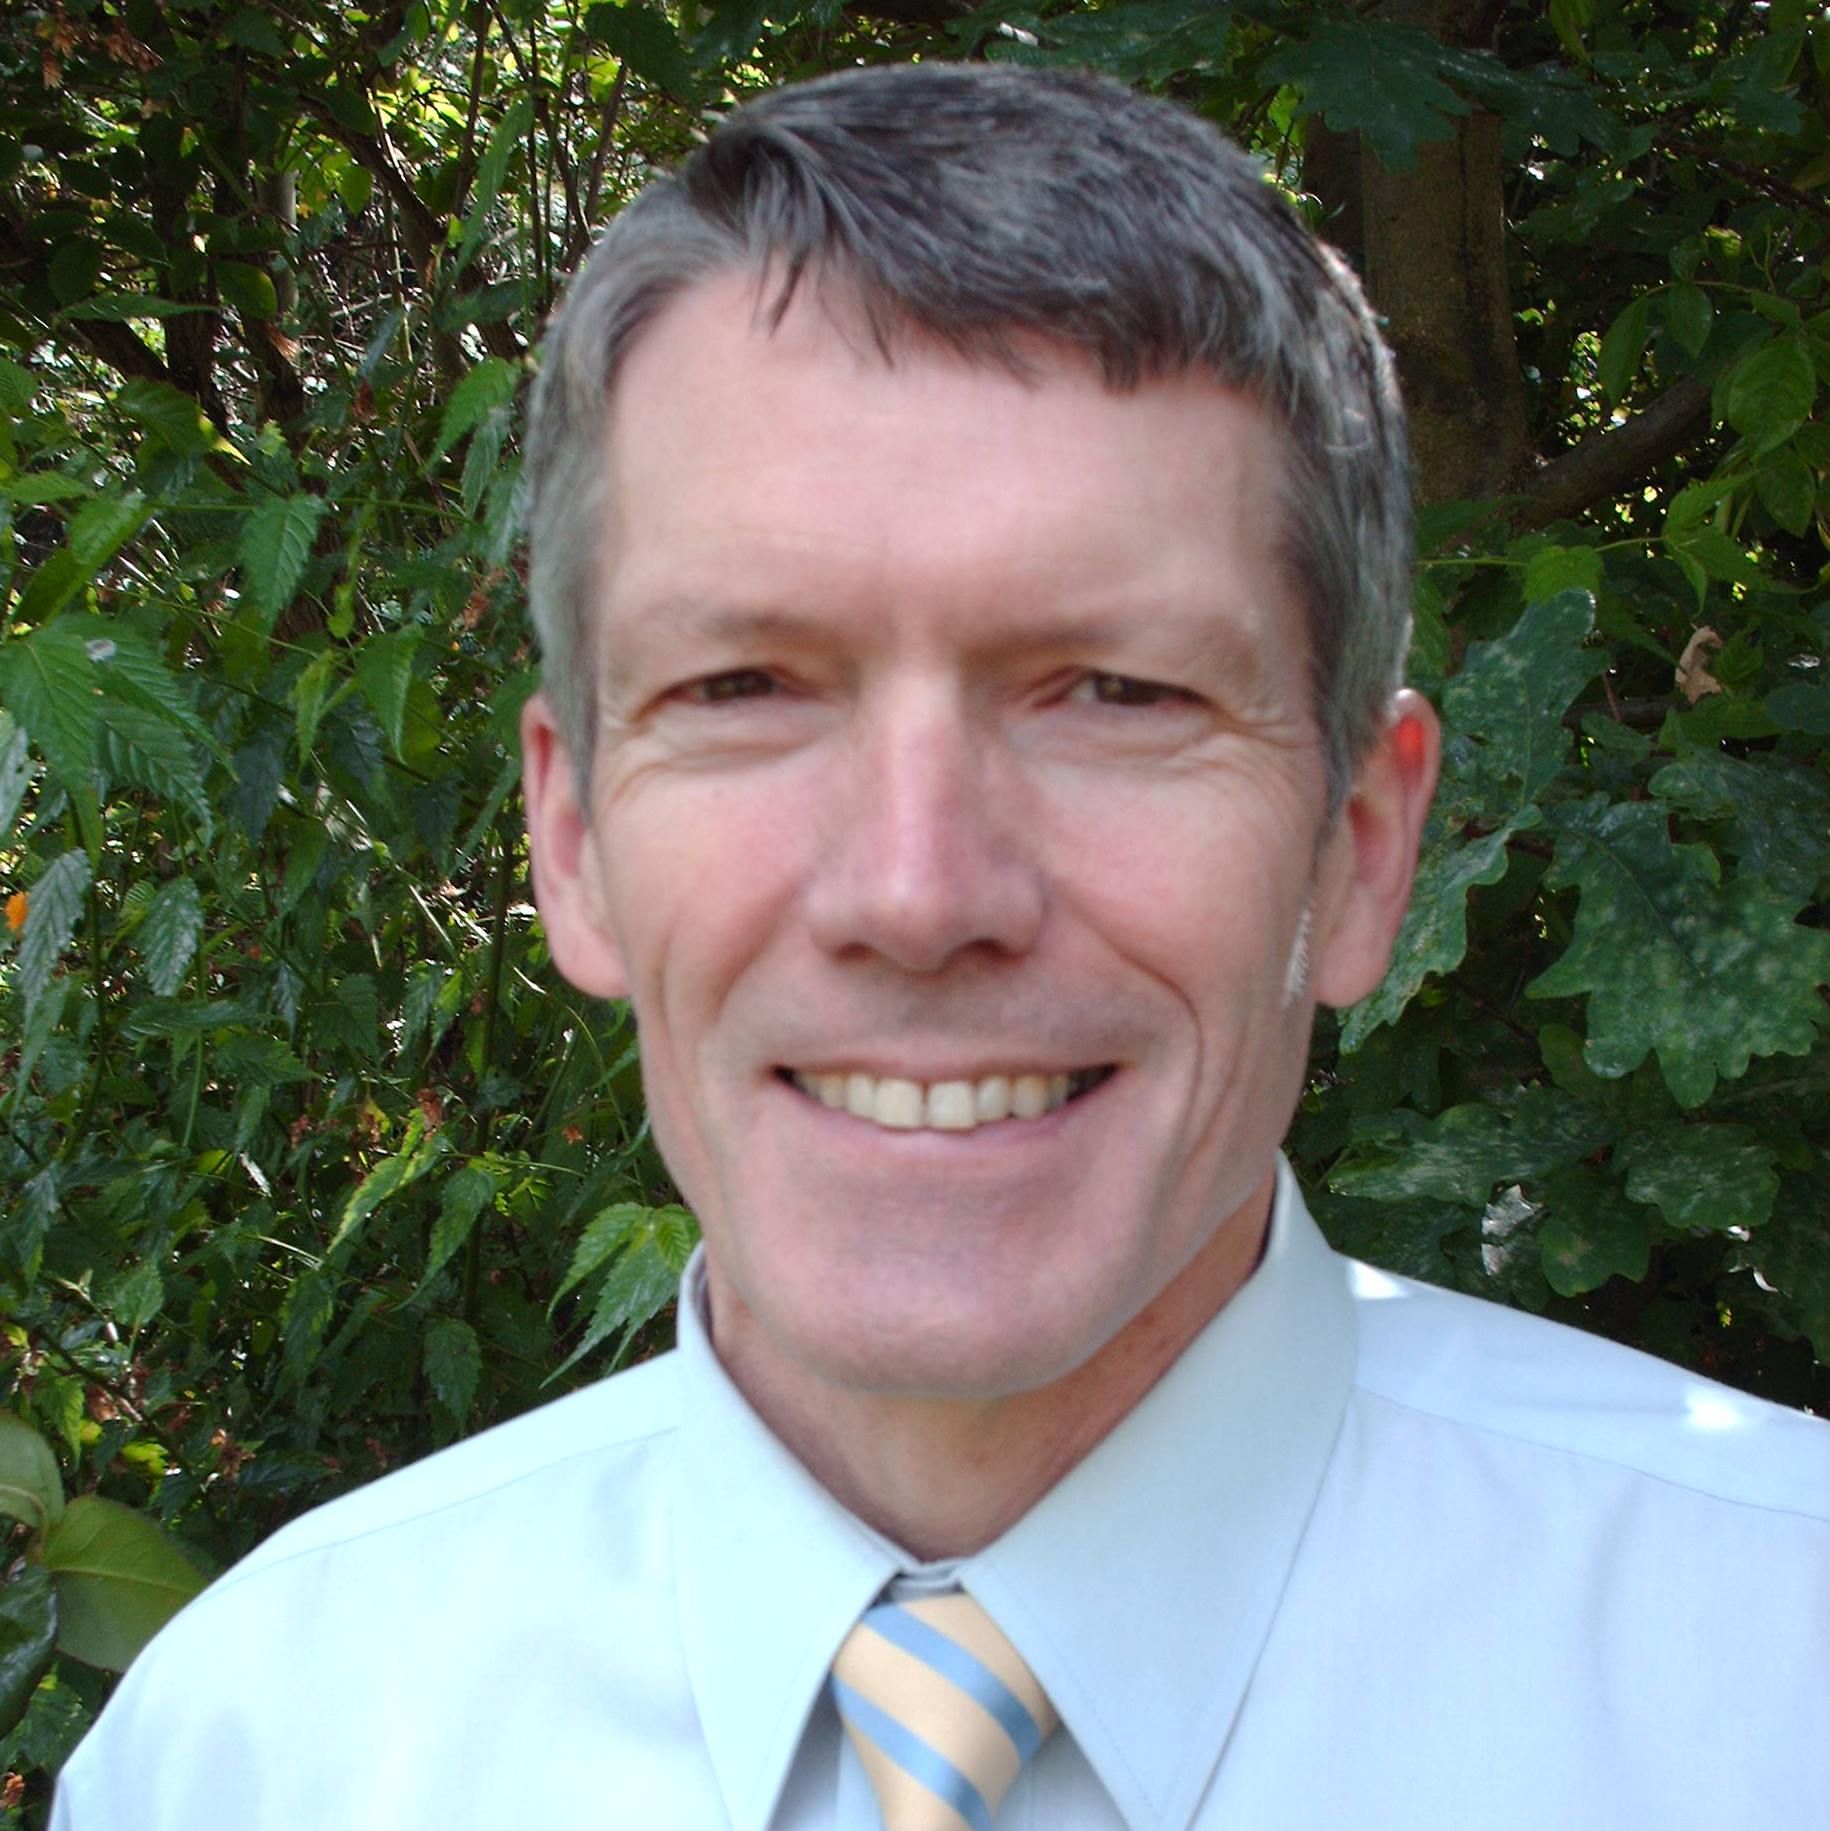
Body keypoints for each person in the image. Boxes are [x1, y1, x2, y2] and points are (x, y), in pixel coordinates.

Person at [54, 63, 1828, 1831]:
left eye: (1116, 691)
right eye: (742, 686)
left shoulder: (1777, 1683)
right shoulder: (249, 1753)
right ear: (575, 840)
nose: (915, 892)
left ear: (1360, 848)